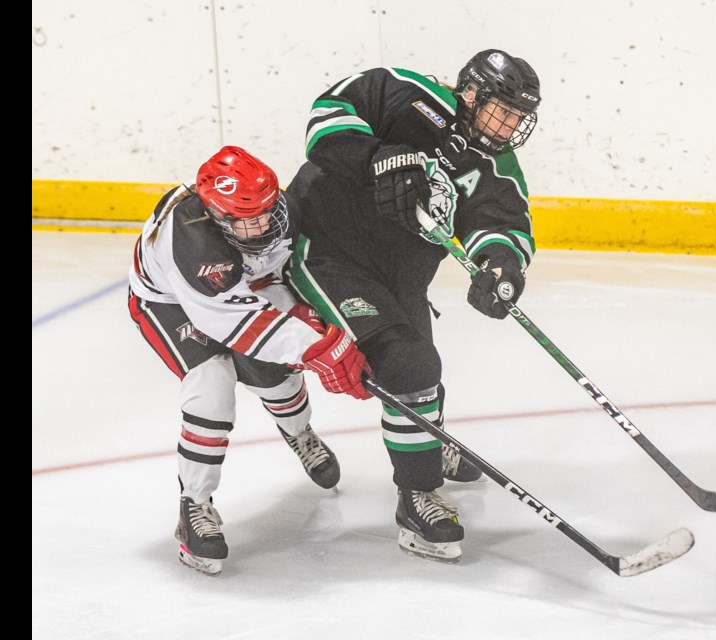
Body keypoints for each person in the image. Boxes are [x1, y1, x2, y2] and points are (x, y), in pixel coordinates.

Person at [284, 49, 542, 563]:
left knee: (422, 372)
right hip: (329, 251)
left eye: (519, 118)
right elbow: (326, 118)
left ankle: (426, 440)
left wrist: (500, 266)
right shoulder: (407, 94)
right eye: (502, 111)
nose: (509, 125)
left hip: (402, 277)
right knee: (409, 364)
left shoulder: (496, 163)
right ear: (471, 94)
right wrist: (378, 156)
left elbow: (505, 223)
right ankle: (416, 497)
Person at [127, 145, 372, 577]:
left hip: (238, 292)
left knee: (275, 372)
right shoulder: (191, 238)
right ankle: (194, 507)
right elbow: (235, 323)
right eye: (247, 219)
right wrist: (318, 349)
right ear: (217, 218)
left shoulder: (278, 210)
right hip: (169, 303)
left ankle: (299, 433)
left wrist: (306, 316)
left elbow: (277, 273)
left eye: (266, 210)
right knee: (212, 385)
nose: (263, 223)